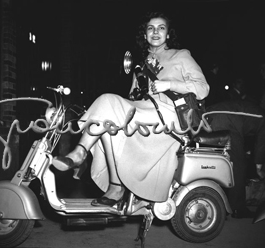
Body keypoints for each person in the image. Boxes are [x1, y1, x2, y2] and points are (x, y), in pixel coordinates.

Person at [52, 11, 209, 207]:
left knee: (109, 104)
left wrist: (169, 84)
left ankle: (81, 154)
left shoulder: (181, 55)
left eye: (161, 28)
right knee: (108, 120)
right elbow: (132, 99)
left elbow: (203, 89)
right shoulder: (141, 67)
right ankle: (112, 182)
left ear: (168, 34)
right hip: (145, 113)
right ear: (144, 35)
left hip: (170, 116)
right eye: (150, 28)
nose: (155, 32)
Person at [207, 100, 265, 218]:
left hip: (210, 114)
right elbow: (262, 144)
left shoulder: (259, 112)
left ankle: (218, 199)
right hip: (226, 122)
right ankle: (237, 208)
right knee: (238, 165)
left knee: (222, 162)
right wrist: (259, 169)